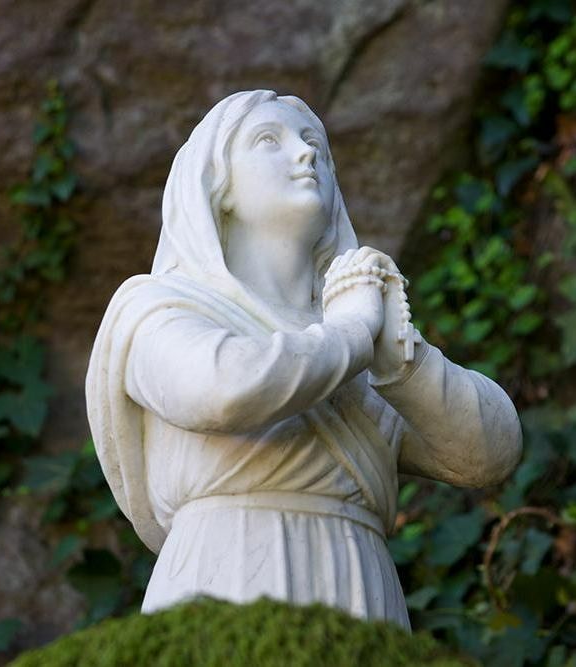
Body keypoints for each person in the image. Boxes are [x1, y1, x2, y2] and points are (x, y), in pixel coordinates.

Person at [85, 90, 522, 628]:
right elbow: (221, 390)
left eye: (313, 141)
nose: (305, 152)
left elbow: (489, 454)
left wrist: (403, 361)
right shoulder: (156, 307)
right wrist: (353, 331)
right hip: (228, 574)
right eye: (269, 140)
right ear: (218, 186)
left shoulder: (358, 345)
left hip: (362, 591)